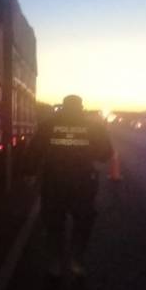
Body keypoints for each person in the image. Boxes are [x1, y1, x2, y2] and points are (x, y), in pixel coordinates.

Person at [26, 95, 113, 278]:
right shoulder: (93, 127)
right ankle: (76, 259)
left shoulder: (48, 126)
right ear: (81, 108)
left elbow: (34, 151)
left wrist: (30, 173)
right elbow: (106, 154)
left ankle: (55, 262)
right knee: (83, 221)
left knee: (54, 223)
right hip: (83, 183)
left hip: (54, 182)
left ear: (63, 107)